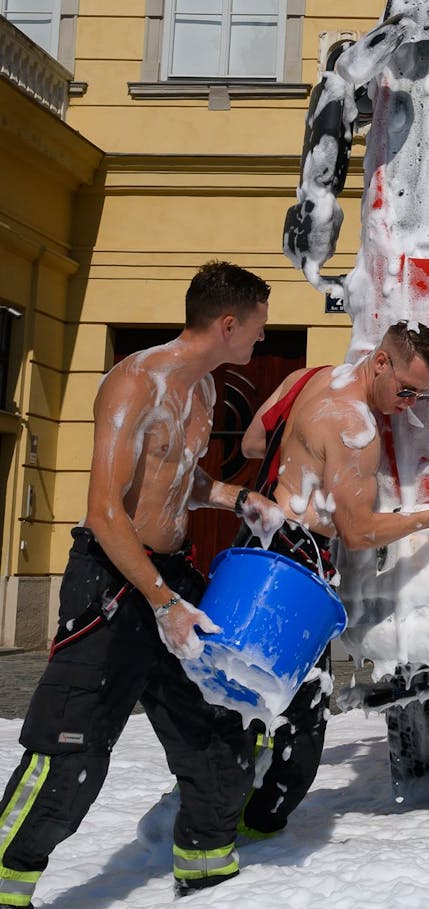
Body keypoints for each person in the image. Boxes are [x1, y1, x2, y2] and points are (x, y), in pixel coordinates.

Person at [0, 261, 284, 904]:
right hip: (113, 585)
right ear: (228, 322)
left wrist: (238, 499)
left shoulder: (205, 390)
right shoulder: (134, 383)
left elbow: (179, 480)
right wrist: (162, 604)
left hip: (172, 580)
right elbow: (105, 512)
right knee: (70, 751)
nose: (261, 340)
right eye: (259, 328)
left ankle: (206, 870)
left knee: (217, 730)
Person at [231, 321, 429, 838]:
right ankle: (254, 830)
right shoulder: (356, 428)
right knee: (303, 715)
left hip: (258, 547)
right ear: (380, 362)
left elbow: (255, 442)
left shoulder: (306, 378)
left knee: (243, 689)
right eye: (405, 389)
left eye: (420, 395)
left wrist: (304, 465)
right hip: (297, 566)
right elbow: (360, 533)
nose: (407, 403)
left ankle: (219, 806)